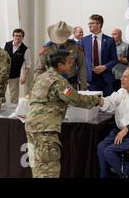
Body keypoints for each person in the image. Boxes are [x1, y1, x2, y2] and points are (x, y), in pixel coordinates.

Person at [25, 49, 103, 178]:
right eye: (69, 63)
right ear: (60, 65)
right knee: (49, 169)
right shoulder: (59, 82)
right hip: (45, 129)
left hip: (31, 127)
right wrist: (97, 100)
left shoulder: (41, 77)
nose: (71, 65)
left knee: (38, 167)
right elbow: (76, 99)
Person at [35, 21, 87, 90]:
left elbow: (82, 68)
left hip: (70, 85)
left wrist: (83, 89)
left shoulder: (75, 47)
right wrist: (41, 86)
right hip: (51, 86)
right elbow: (38, 69)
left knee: (71, 100)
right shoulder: (47, 48)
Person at [79, 15, 118, 96]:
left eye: (92, 23)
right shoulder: (84, 40)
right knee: (93, 106)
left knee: (108, 104)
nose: (89, 25)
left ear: (99, 24)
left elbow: (114, 59)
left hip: (106, 78)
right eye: (88, 23)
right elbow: (80, 60)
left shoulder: (109, 40)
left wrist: (104, 67)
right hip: (91, 79)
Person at [4, 29, 31, 103]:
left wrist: (24, 76)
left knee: (14, 98)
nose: (17, 38)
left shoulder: (25, 49)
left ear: (23, 37)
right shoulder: (6, 44)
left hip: (14, 76)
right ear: (13, 36)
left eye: (20, 36)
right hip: (3, 74)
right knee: (1, 95)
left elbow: (28, 64)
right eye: (16, 36)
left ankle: (13, 113)